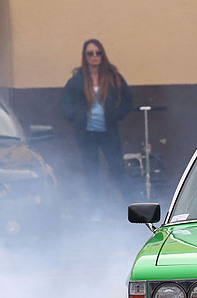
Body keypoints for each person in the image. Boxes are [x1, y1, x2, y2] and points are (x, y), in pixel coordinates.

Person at [59, 39, 133, 217]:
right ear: (85, 57)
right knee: (91, 172)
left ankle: (131, 207)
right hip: (86, 133)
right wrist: (75, 116)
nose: (94, 56)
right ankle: (95, 209)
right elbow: (64, 103)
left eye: (98, 53)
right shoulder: (77, 80)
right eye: (90, 53)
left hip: (109, 132)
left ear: (103, 54)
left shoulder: (113, 77)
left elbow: (128, 100)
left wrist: (116, 114)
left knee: (117, 169)